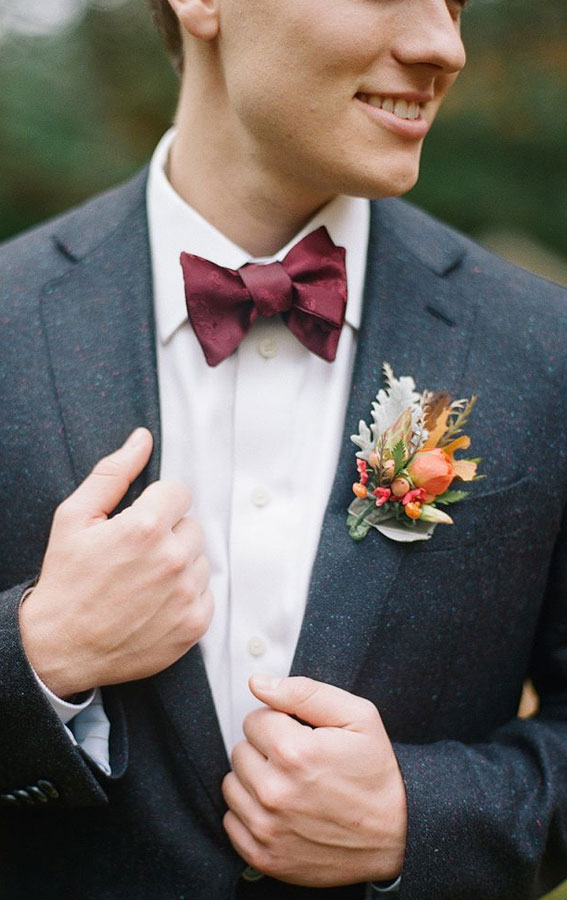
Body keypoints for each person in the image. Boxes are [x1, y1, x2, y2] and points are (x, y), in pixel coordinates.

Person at [0, 0, 566, 897]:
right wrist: (37, 659)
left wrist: (424, 819)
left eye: (455, 2)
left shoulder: (544, 348)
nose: (443, 45)